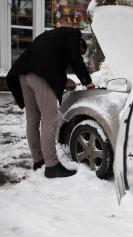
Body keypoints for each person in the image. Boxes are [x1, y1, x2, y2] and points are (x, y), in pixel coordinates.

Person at [6, 27, 96, 178]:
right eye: (81, 51)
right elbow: (75, 58)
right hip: (39, 76)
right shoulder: (74, 34)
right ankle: (52, 165)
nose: (77, 55)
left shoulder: (54, 37)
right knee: (50, 119)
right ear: (81, 44)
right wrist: (87, 82)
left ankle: (38, 160)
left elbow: (52, 63)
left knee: (32, 120)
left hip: (23, 74)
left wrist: (63, 81)